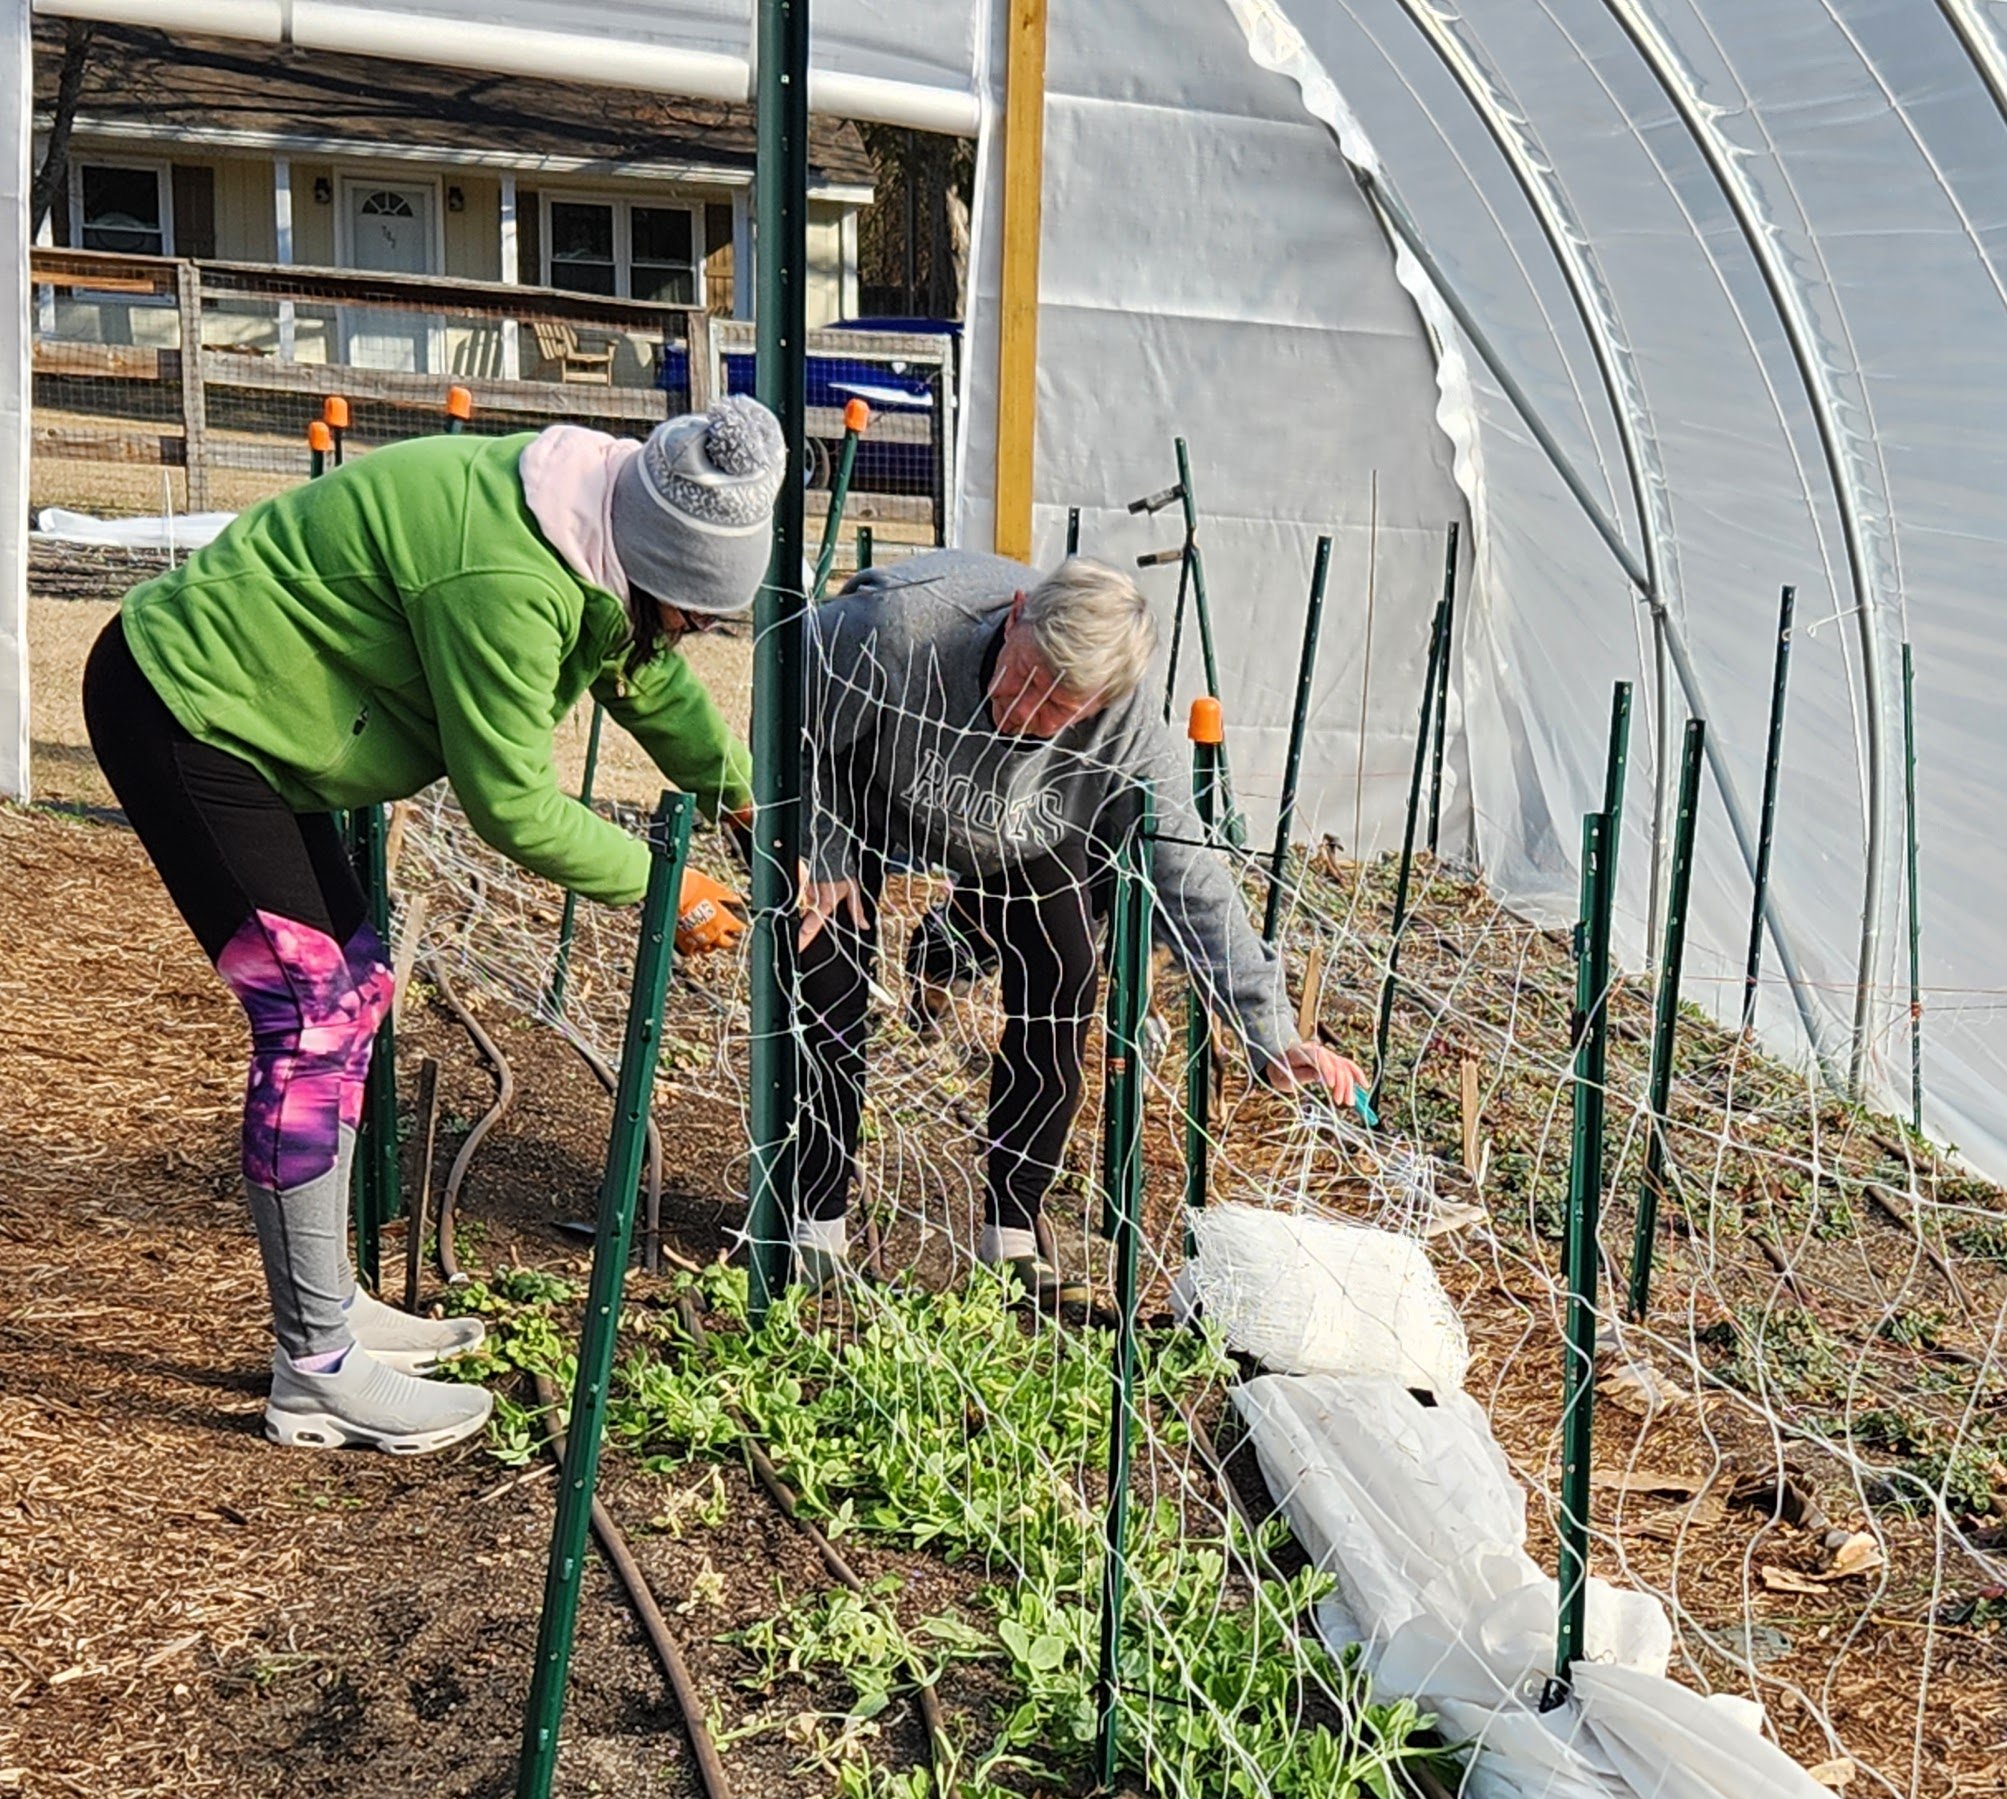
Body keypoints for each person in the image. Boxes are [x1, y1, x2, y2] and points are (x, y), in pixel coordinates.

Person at [83, 397, 777, 1454]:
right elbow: (512, 805)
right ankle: (314, 1367)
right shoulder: (509, 576)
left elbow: (641, 673)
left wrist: (739, 801)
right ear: (647, 565)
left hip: (262, 729)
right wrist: (664, 886)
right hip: (192, 711)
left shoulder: (594, 520)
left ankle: (333, 1307)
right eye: (691, 611)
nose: (694, 633)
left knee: (355, 988)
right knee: (310, 1016)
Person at [795, 550, 1366, 1303]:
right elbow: (791, 707)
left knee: (1064, 974)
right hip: (865, 786)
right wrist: (824, 841)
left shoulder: (1126, 729)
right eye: (1024, 674)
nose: (1026, 709)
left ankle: (1013, 1230)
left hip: (1023, 828)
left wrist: (1271, 1033)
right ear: (1018, 611)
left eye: (1059, 704)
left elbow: (1189, 875)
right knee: (825, 969)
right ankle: (810, 1220)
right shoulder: (895, 631)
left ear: (1103, 700)